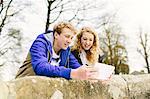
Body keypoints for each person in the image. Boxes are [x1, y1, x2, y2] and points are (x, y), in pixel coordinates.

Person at [15, 22, 96, 80]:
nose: (69, 41)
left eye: (71, 38)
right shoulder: (40, 43)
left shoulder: (66, 50)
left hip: (44, 90)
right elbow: (41, 67)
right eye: (67, 36)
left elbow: (79, 68)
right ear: (56, 35)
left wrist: (97, 76)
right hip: (23, 86)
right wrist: (71, 73)